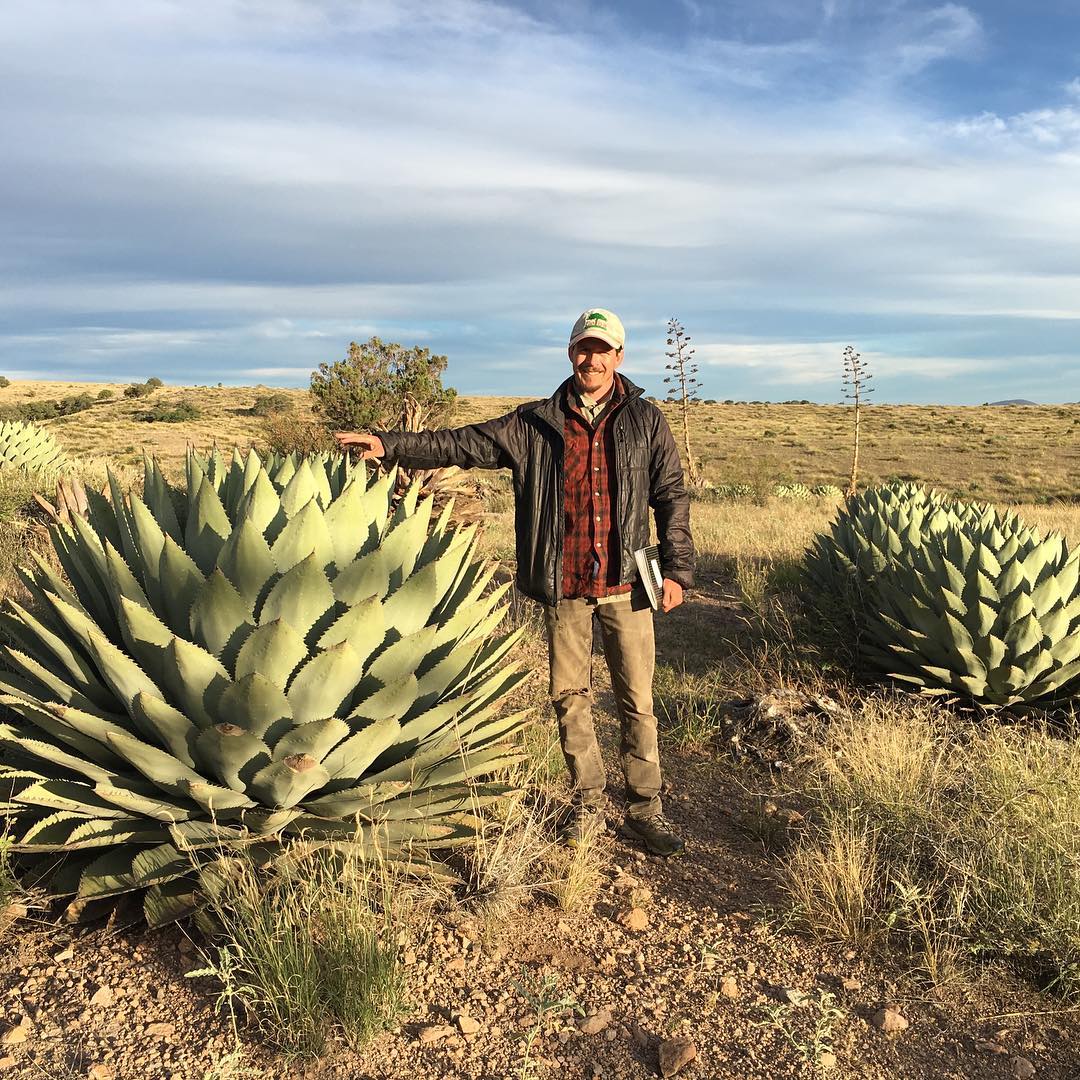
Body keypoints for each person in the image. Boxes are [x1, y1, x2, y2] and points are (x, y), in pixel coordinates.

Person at [335, 309, 695, 856]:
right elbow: (460, 444)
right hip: (564, 584)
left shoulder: (646, 420)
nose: (591, 360)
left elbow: (670, 495)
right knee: (569, 695)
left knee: (636, 697)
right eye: (583, 348)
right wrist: (389, 445)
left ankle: (646, 808)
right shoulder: (534, 424)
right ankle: (588, 804)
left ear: (619, 357)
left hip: (626, 581)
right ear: (570, 353)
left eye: (603, 350)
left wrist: (678, 569)